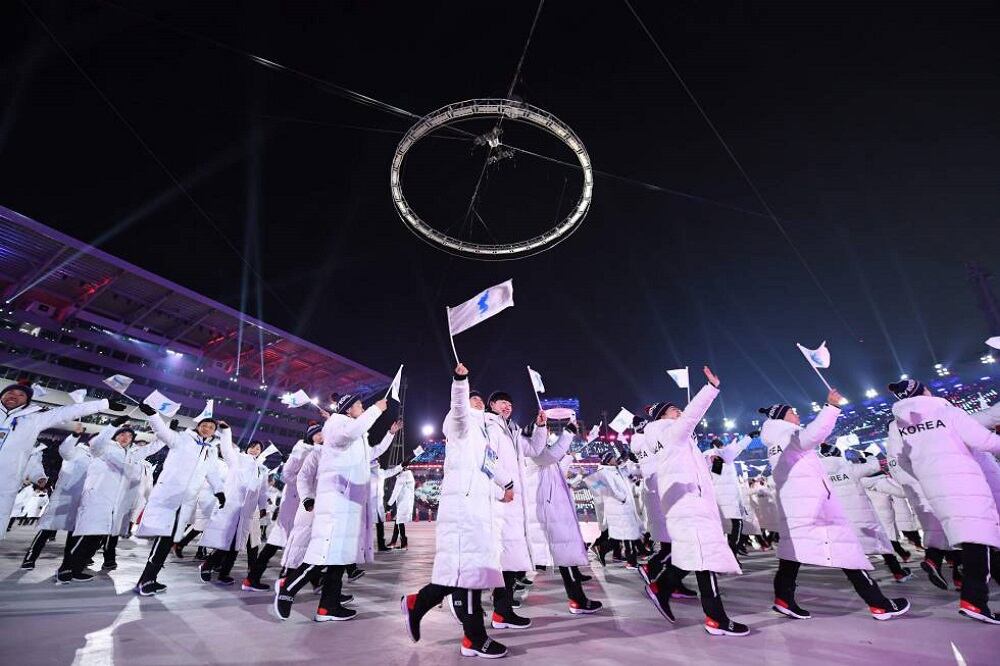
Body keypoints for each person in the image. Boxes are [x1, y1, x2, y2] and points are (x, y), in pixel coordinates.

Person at [761, 390, 910, 622]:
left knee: (791, 555)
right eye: (792, 412)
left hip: (796, 507)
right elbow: (815, 434)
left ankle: (783, 599)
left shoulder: (773, 444)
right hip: (815, 507)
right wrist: (831, 407)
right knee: (847, 550)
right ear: (781, 418)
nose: (796, 415)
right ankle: (879, 603)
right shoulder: (789, 435)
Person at [401, 363, 510, 658]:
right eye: (474, 398)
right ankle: (474, 638)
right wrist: (461, 382)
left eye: (479, 399)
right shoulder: (458, 420)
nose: (477, 401)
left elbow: (488, 470)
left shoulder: (483, 435)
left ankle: (419, 602)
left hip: (479, 507)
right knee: (471, 572)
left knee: (466, 572)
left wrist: (504, 488)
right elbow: (460, 409)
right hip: (463, 507)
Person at [641, 366, 749, 636]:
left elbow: (691, 468)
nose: (678, 411)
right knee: (705, 559)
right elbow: (689, 418)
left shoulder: (678, 442)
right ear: (662, 417)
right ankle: (716, 618)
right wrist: (710, 389)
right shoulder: (668, 432)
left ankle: (661, 587)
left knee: (694, 554)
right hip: (688, 505)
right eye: (673, 409)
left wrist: (709, 463)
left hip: (692, 503)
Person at [885, 378, 1000, 623]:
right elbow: (985, 441)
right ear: (923, 391)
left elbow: (901, 462)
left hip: (934, 487)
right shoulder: (947, 412)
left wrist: (929, 474)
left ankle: (973, 598)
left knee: (976, 540)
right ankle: (975, 601)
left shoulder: (897, 426)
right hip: (965, 482)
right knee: (981, 538)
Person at [273, 394, 388, 622]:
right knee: (322, 554)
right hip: (336, 502)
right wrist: (375, 410)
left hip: (349, 504)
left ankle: (328, 607)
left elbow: (370, 454)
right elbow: (349, 433)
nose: (362, 407)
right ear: (347, 409)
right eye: (359, 405)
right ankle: (287, 590)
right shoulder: (336, 424)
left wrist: (390, 434)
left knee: (340, 558)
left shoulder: (355, 433)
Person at [0, 382, 124, 541]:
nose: (14, 396)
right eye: (10, 392)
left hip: (4, 486)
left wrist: (103, 404)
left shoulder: (34, 418)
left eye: (21, 395)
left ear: (27, 401)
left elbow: (67, 412)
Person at [55, 421, 165, 583]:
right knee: (83, 536)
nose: (125, 437)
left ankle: (77, 568)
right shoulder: (104, 448)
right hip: (95, 500)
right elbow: (97, 442)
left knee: (95, 539)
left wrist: (166, 431)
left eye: (129, 436)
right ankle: (66, 568)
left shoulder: (133, 455)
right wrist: (113, 425)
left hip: (114, 505)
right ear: (115, 436)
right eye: (122, 434)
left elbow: (152, 448)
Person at [133, 406, 225, 596]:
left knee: (166, 542)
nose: (207, 428)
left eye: (211, 427)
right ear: (198, 426)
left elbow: (213, 473)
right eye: (205, 425)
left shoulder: (211, 451)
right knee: (163, 540)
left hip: (185, 502)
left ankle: (148, 579)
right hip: (168, 498)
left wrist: (220, 492)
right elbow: (162, 432)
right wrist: (153, 415)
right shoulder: (183, 439)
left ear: (214, 432)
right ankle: (147, 580)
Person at [484, 389, 548, 630]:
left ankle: (503, 610)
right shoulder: (490, 426)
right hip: (501, 500)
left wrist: (540, 427)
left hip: (514, 502)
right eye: (502, 402)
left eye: (509, 403)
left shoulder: (512, 429)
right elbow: (487, 459)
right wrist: (502, 489)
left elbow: (533, 450)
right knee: (503, 559)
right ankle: (500, 611)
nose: (507, 406)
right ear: (492, 405)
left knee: (510, 560)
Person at [529, 417, 602, 613]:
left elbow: (560, 462)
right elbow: (553, 457)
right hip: (548, 514)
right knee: (561, 559)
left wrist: (588, 441)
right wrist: (568, 433)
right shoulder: (533, 455)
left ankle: (502, 605)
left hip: (557, 514)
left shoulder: (545, 459)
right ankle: (577, 600)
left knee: (565, 558)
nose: (544, 441)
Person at [819, 445, 912, 582]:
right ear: (838, 454)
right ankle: (898, 572)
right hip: (862, 516)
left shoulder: (820, 475)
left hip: (840, 517)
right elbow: (874, 466)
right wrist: (869, 454)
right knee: (882, 544)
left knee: (851, 548)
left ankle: (863, 580)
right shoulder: (850, 469)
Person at [246, 424, 321, 589]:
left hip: (301, 502)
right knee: (292, 542)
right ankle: (285, 579)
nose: (322, 436)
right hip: (294, 502)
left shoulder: (317, 451)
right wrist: (305, 485)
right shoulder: (302, 449)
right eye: (318, 434)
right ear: (311, 436)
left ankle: (256, 578)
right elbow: (287, 475)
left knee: (291, 542)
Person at [199, 438, 270, 587]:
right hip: (233, 506)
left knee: (237, 544)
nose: (255, 450)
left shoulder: (261, 469)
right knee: (227, 541)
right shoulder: (238, 459)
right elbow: (227, 451)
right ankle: (208, 565)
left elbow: (263, 491)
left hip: (247, 511)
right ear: (247, 448)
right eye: (253, 447)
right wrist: (226, 434)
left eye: (258, 449)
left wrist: (263, 507)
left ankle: (224, 574)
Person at [22, 424, 91, 569]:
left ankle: (67, 564)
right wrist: (75, 435)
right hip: (64, 497)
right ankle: (30, 558)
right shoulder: (77, 451)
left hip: (83, 501)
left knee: (73, 534)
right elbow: (65, 450)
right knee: (47, 529)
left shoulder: (101, 459)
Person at [704, 435, 754, 556]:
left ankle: (721, 554)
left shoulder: (709, 455)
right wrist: (749, 437)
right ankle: (732, 553)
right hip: (728, 497)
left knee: (720, 527)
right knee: (737, 523)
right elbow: (738, 447)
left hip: (718, 496)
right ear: (718, 446)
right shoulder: (719, 454)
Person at [387, 467, 415, 550]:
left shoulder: (402, 477)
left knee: (400, 522)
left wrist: (389, 504)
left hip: (403, 503)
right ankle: (394, 541)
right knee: (398, 522)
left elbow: (396, 492)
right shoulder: (410, 476)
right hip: (407, 503)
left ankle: (404, 543)